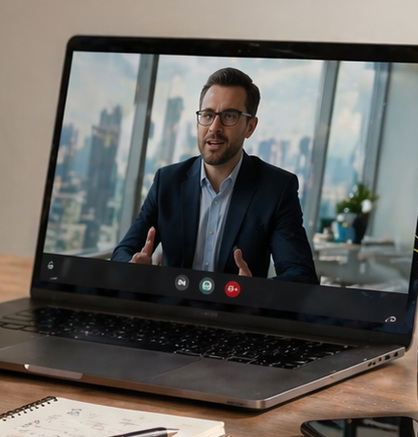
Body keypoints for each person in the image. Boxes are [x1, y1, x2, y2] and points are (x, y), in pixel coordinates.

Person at [110, 68, 319, 283]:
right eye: (208, 115)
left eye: (229, 116)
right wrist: (133, 268)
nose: (214, 127)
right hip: (171, 312)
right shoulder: (168, 181)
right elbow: (122, 253)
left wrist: (256, 292)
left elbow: (301, 276)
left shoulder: (276, 189)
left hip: (236, 314)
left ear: (250, 127)